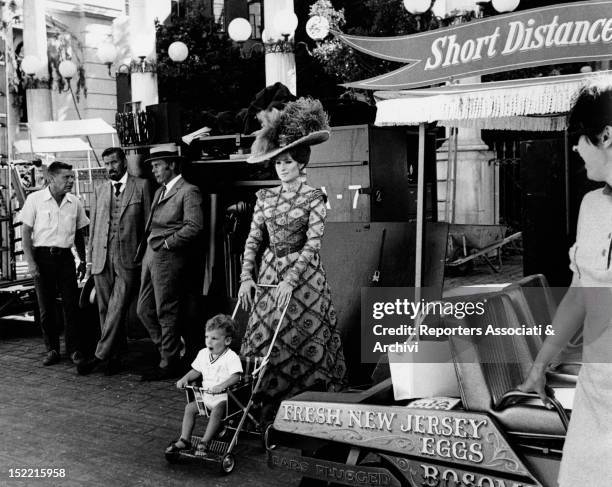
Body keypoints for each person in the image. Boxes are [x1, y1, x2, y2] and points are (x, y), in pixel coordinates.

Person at [518, 80, 612, 487]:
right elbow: (577, 296)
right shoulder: (592, 207)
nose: (575, 148)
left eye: (580, 139)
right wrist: (540, 366)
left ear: (606, 137)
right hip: (599, 391)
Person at [237, 97, 347, 414]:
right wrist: (246, 276)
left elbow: (313, 242)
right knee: (269, 335)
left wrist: (291, 279)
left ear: (301, 162)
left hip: (304, 275)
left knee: (304, 336)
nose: (282, 168)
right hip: (270, 272)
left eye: (288, 162)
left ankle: (312, 404)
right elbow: (254, 238)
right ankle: (268, 404)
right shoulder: (265, 196)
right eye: (278, 163)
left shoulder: (315, 196)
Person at [77, 147, 153, 375]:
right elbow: (95, 228)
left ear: (124, 162)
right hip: (102, 258)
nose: (110, 167)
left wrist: (145, 259)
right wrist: (90, 263)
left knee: (117, 307)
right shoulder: (100, 189)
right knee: (104, 309)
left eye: (114, 162)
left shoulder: (142, 185)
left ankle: (99, 355)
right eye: (107, 163)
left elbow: (149, 226)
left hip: (129, 258)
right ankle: (115, 357)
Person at [137, 143, 204, 381]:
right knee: (143, 309)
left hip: (167, 257)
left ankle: (168, 362)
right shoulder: (160, 191)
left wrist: (167, 244)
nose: (154, 171)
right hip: (150, 255)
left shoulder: (188, 191)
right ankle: (173, 349)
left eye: (157, 166)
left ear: (172, 165)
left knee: (166, 311)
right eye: (153, 166)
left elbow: (194, 226)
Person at [20, 161, 89, 366]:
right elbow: (25, 233)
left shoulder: (74, 202)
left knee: (71, 306)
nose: (71, 181)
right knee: (46, 308)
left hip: (65, 259)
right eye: (66, 177)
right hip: (42, 258)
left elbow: (78, 234)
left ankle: (74, 350)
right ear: (51, 178)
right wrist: (31, 262)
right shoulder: (35, 200)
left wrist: (83, 260)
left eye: (72, 177)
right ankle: (51, 350)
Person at [167, 314, 243, 455]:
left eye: (214, 338)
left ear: (227, 340)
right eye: (207, 337)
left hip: (224, 399)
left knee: (217, 411)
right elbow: (196, 370)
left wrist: (223, 385)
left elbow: (236, 376)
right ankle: (185, 440)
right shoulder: (203, 353)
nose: (209, 342)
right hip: (207, 396)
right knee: (189, 408)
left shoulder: (231, 357)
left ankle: (205, 442)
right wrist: (185, 378)